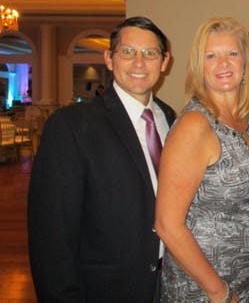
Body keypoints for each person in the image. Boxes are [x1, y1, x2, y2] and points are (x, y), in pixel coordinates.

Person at [27, 16, 176, 302]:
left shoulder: (170, 119)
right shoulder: (71, 126)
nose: (139, 63)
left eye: (150, 53)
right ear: (109, 58)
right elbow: (51, 235)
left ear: (164, 61)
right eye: (127, 52)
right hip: (105, 290)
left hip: (169, 284)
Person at [155, 17, 249, 303]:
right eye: (211, 55)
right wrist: (218, 291)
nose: (223, 63)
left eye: (232, 53)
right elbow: (167, 224)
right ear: (199, 66)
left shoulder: (244, 119)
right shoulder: (195, 125)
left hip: (241, 277)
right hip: (202, 287)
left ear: (245, 63)